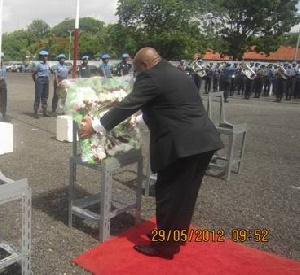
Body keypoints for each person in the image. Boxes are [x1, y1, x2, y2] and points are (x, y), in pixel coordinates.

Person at [79, 47, 223, 259]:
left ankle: (164, 248)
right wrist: (135, 122)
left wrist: (96, 126)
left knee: (168, 194)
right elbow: (165, 106)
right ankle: (175, 237)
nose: (137, 75)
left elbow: (127, 105)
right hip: (204, 141)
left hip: (182, 145)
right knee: (186, 194)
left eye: (137, 71)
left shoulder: (151, 77)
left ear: (144, 66)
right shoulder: (176, 73)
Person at [31, 50, 50, 119]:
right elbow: (33, 73)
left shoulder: (47, 64)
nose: (46, 57)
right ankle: (36, 112)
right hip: (40, 80)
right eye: (45, 56)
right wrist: (35, 81)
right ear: (42, 57)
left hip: (46, 80)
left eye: (47, 56)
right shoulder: (38, 64)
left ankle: (44, 111)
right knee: (38, 96)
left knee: (45, 96)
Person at [0, 52, 8, 120]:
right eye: (0, 57)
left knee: (4, 99)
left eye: (2, 58)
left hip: (3, 83)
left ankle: (3, 113)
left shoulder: (4, 66)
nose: (1, 59)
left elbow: (4, 76)